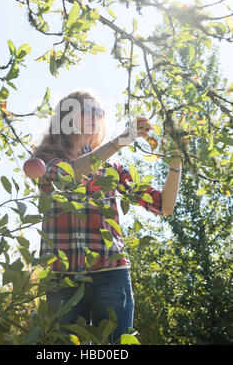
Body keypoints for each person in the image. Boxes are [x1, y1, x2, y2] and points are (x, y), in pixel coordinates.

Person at [33, 89, 182, 344]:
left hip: (110, 273)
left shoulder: (111, 169)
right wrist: (121, 140)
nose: (97, 116)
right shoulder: (44, 159)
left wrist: (177, 158)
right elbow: (70, 175)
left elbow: (163, 205)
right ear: (68, 115)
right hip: (62, 278)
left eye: (99, 112)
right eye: (90, 110)